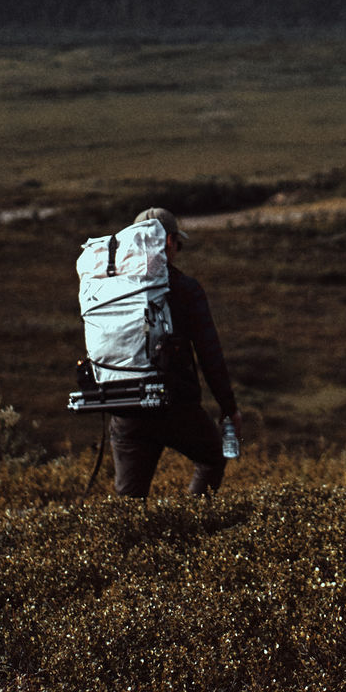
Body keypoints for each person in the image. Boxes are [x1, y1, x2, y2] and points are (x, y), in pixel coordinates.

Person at [107, 207, 236, 503]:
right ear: (170, 242)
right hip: (175, 406)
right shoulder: (186, 289)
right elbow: (209, 354)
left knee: (128, 502)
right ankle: (190, 521)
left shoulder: (114, 289)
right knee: (214, 457)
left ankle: (129, 546)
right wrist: (229, 408)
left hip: (126, 407)